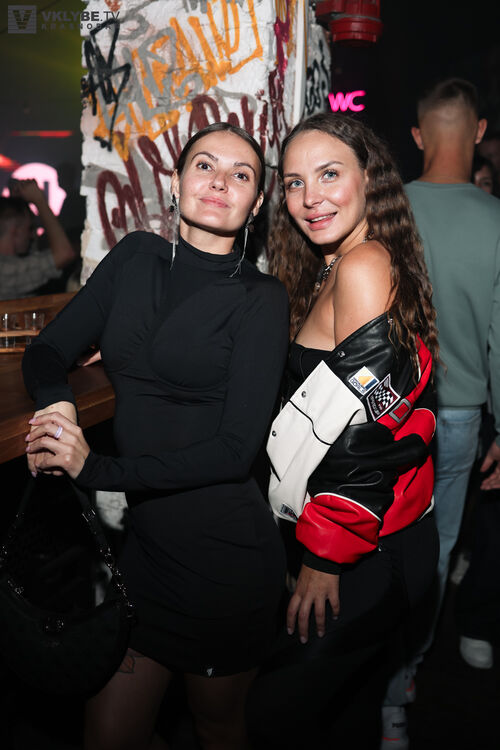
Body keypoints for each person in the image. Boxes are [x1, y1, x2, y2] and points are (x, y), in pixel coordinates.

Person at [22, 122, 289, 750]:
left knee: (216, 729)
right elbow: (47, 349)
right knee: (107, 735)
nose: (219, 182)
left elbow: (234, 453)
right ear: (176, 181)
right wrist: (60, 407)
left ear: (256, 204)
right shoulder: (136, 256)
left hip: (223, 564)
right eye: (205, 165)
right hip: (147, 555)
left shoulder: (261, 298)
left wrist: (96, 469)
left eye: (241, 175)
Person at [246, 112, 439, 749]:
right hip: (363, 535)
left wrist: (325, 556)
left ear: (369, 178)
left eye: (329, 174)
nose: (311, 198)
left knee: (273, 715)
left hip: (365, 546)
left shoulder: (362, 266)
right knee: (345, 719)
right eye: (294, 182)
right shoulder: (335, 265)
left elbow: (374, 427)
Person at [382, 77, 500, 746]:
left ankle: (367, 684)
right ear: (479, 132)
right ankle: (400, 691)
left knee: (374, 547)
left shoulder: (386, 210)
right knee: (436, 553)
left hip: (385, 412)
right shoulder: (496, 220)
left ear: (417, 136)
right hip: (456, 417)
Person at [0, 179, 76, 300]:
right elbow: (64, 254)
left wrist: (20, 203)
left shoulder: (11, 264)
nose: (31, 236)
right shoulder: (5, 271)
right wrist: (39, 201)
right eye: (29, 229)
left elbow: (33, 256)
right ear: (15, 231)